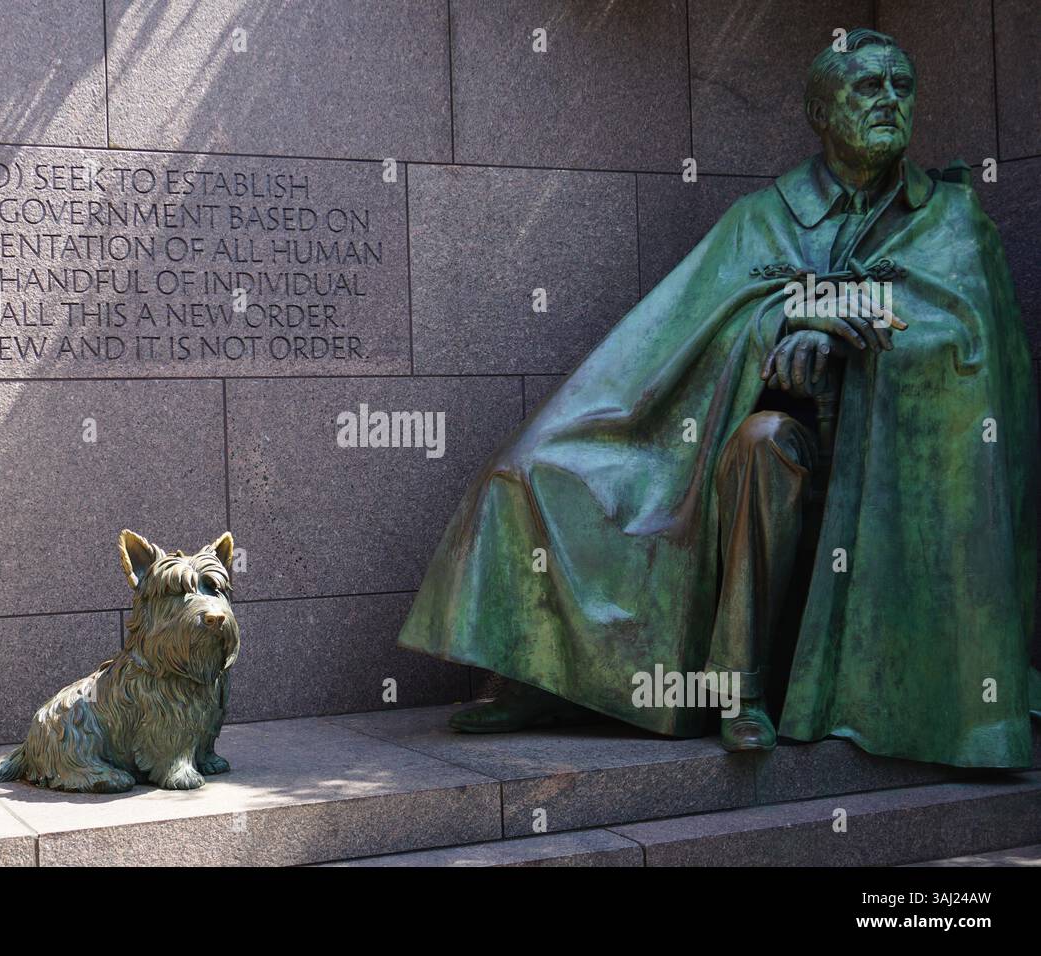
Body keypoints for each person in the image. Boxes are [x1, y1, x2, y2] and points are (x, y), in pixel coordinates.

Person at [397, 29, 1041, 768]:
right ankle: (564, 674)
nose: (891, 101)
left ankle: (747, 688)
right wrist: (784, 321)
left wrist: (839, 339)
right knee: (534, 470)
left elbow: (970, 347)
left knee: (767, 445)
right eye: (869, 88)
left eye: (902, 86)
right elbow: (680, 335)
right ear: (820, 112)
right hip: (742, 438)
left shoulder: (951, 219)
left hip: (895, 465)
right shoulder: (762, 219)